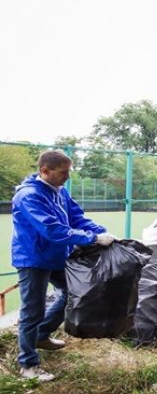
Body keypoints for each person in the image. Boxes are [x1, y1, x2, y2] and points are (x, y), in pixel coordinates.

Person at [11, 150, 116, 382]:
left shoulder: (60, 191)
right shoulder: (29, 196)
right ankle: (27, 365)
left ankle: (41, 334)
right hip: (34, 259)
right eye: (63, 172)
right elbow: (51, 229)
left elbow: (77, 218)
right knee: (32, 310)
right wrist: (91, 239)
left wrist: (101, 231)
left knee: (73, 294)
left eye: (69, 172)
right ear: (45, 171)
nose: (67, 177)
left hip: (58, 256)